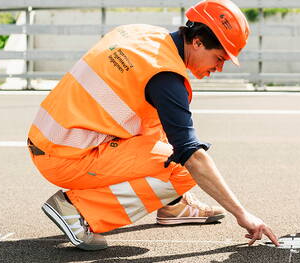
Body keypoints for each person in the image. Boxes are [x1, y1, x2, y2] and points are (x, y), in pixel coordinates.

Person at [27, 0, 278, 250]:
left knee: (159, 125)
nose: (219, 68)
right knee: (184, 167)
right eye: (219, 58)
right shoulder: (165, 78)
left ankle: (174, 205)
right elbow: (192, 157)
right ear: (198, 42)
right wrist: (241, 213)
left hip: (50, 138)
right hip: (67, 157)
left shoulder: (142, 34)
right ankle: (76, 209)